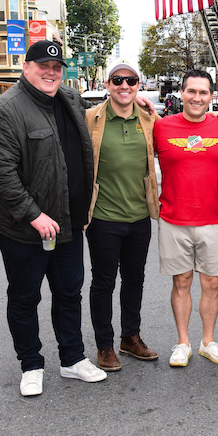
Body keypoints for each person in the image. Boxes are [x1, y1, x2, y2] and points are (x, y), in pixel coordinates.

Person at [0, 40, 106, 397]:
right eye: (43, 66)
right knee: (24, 297)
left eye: (56, 67)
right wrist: (34, 214)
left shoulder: (68, 97)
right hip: (23, 228)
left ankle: (72, 359)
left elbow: (100, 110)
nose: (50, 72)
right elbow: (0, 173)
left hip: (68, 222)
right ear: (27, 68)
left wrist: (138, 101)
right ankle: (31, 365)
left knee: (69, 293)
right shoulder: (4, 110)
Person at [85, 58, 160, 372]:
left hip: (139, 216)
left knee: (135, 280)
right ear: (108, 85)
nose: (124, 86)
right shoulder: (91, 118)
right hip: (103, 217)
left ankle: (130, 337)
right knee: (103, 283)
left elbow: (185, 131)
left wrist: (217, 118)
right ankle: (105, 345)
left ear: (138, 85)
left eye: (131, 81)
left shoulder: (150, 119)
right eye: (118, 80)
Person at [153, 69, 218, 368]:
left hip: (212, 219)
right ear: (182, 94)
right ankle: (183, 342)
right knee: (181, 281)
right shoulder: (161, 127)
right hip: (174, 218)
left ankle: (208, 342)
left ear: (211, 97)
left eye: (203, 92)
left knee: (211, 283)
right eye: (191, 91)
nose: (197, 97)